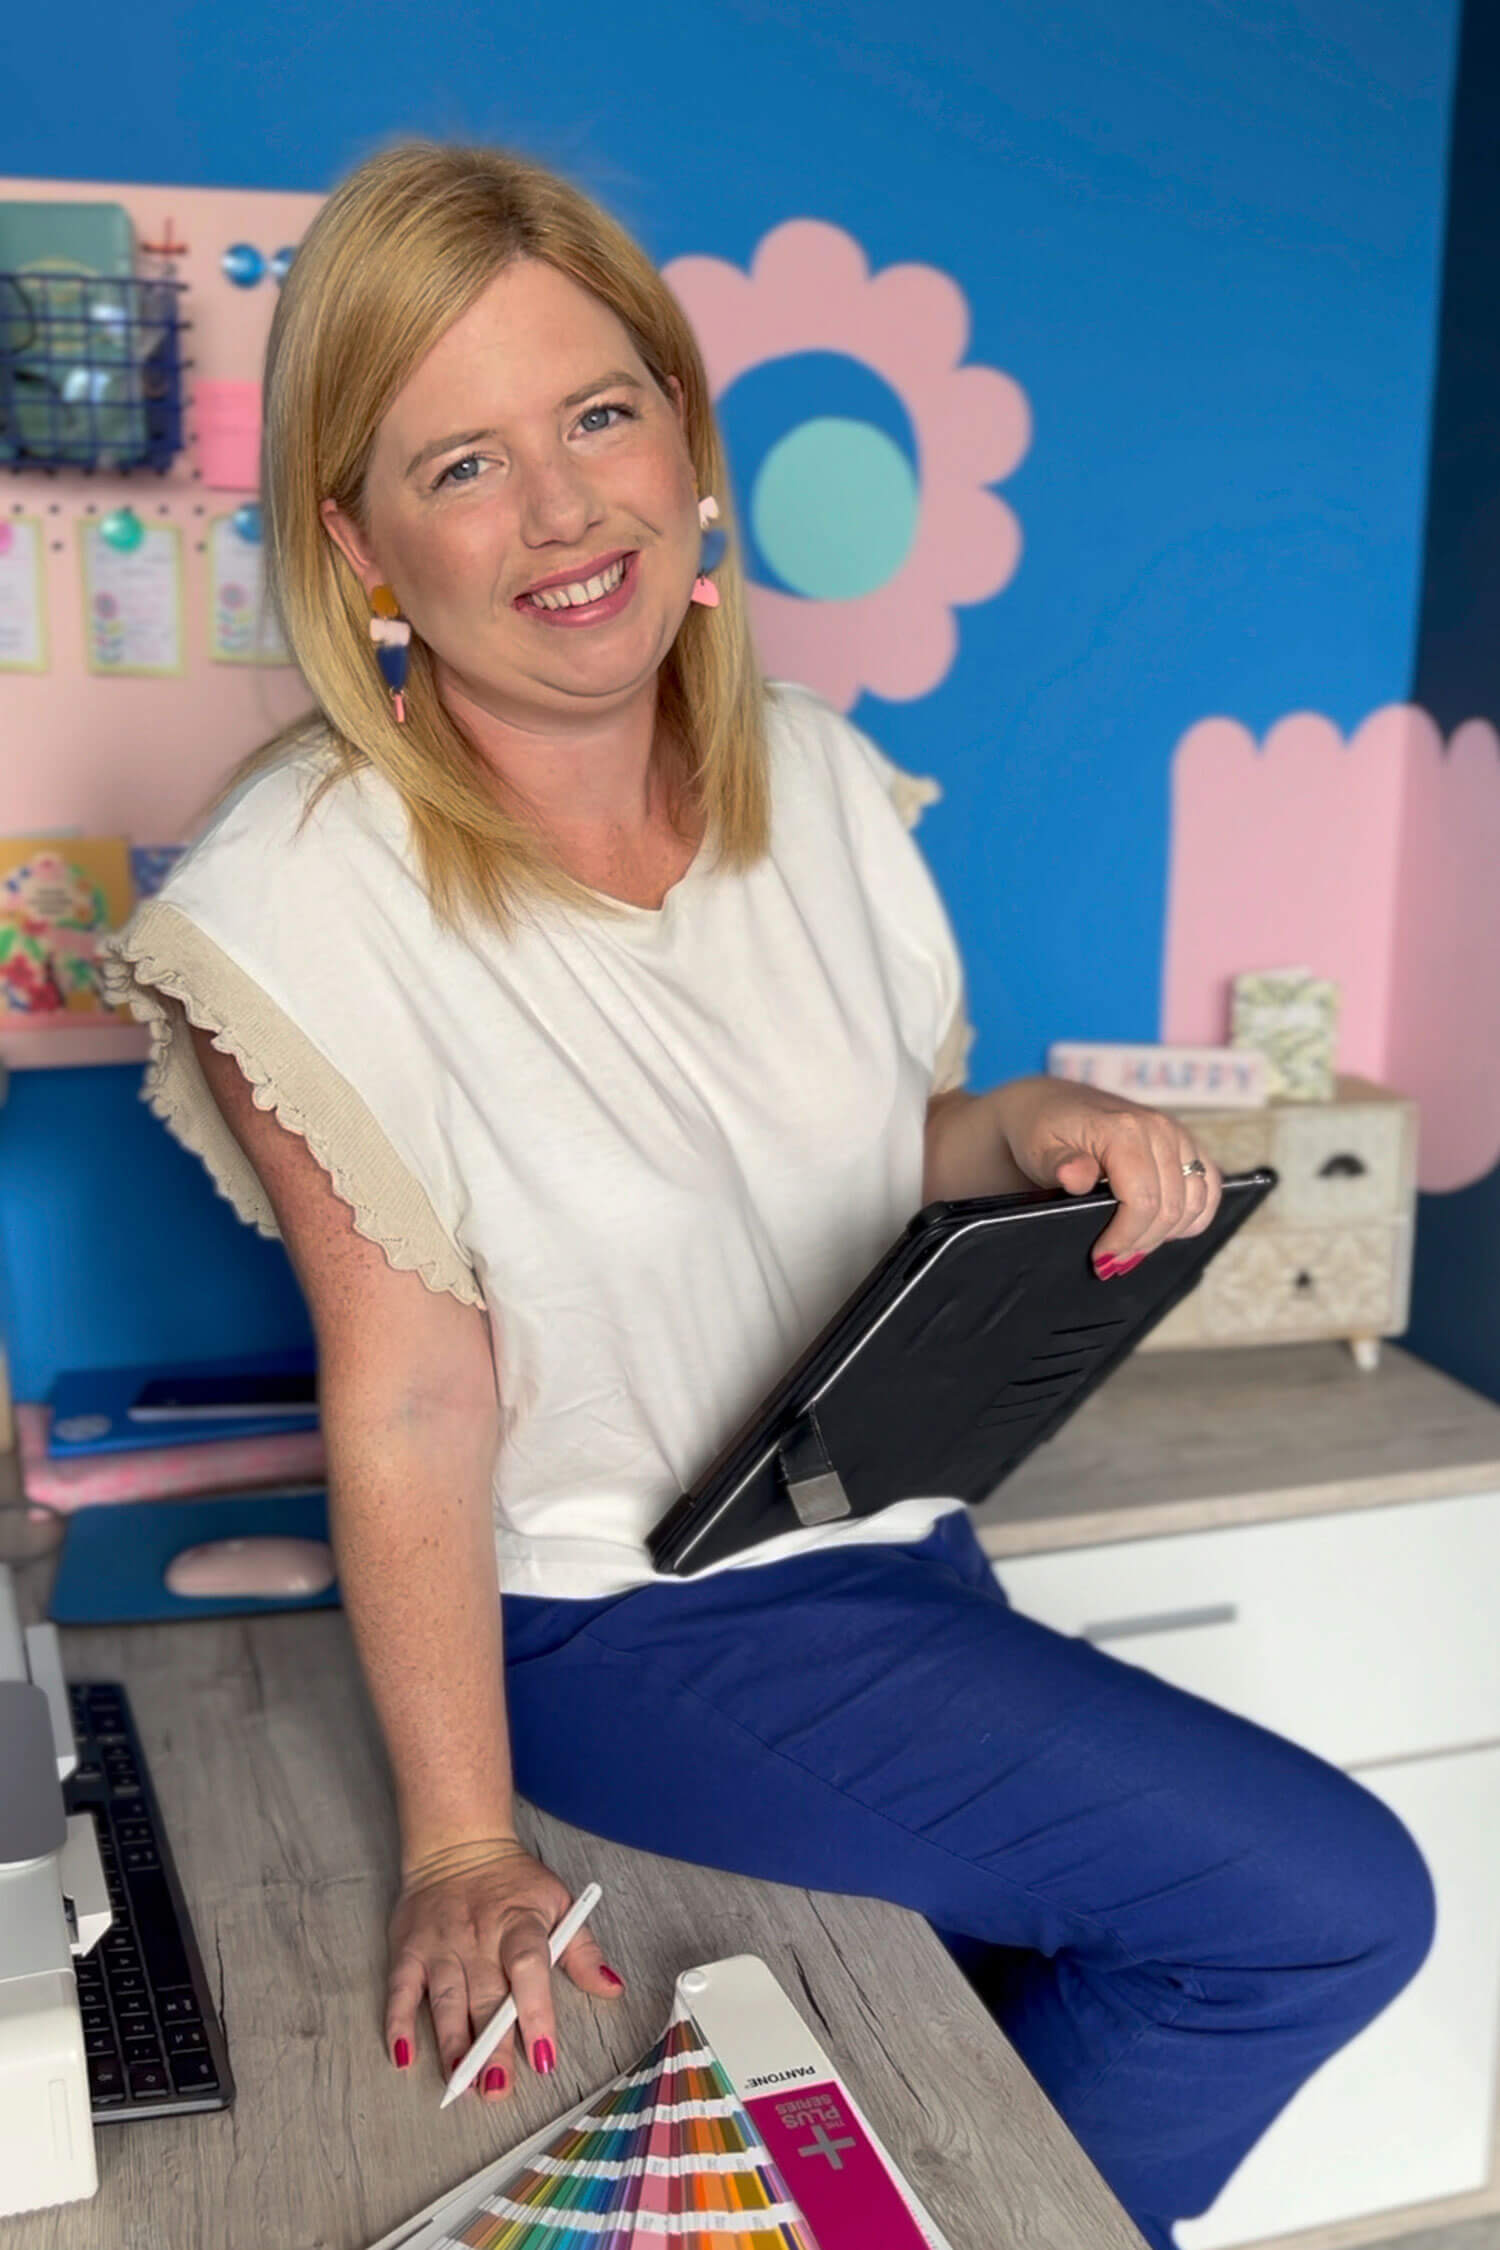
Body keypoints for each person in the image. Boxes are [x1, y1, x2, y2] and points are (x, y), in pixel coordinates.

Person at [104, 141, 1433, 2249]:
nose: (561, 510)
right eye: (462, 462)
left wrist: (1029, 1136)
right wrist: (460, 1845)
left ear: (688, 444)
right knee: (1332, 1909)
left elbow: (838, 1165)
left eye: (600, 415)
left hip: (888, 1542)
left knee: (1012, 2026)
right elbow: (419, 1391)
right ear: (357, 544)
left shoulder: (816, 776)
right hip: (631, 1623)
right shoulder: (304, 891)